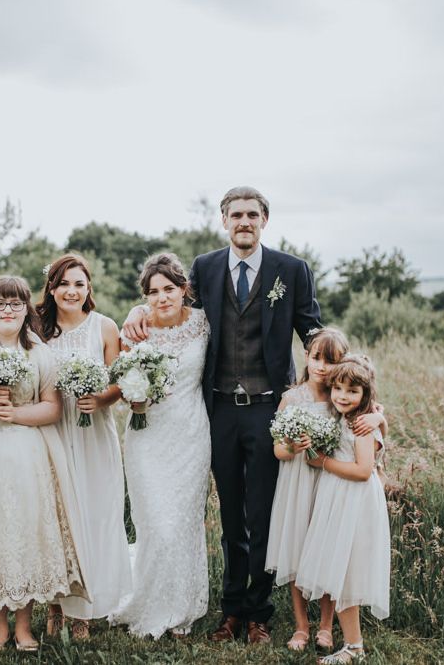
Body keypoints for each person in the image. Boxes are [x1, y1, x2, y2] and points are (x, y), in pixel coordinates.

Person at [123, 186, 321, 643]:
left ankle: (258, 615)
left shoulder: (291, 270)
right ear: (224, 220)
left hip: (269, 407)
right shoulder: (206, 267)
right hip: (217, 412)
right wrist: (139, 307)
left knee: (263, 513)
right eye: (236, 215)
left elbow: (311, 329)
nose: (244, 222)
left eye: (252, 214)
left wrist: (347, 378)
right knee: (231, 513)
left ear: (264, 220)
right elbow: (175, 308)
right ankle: (231, 612)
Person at [0, 275, 88, 653]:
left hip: (26, 454)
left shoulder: (39, 353)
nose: (8, 310)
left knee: (22, 533)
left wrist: (16, 412)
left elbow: (52, 408)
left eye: (16, 304)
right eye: (0, 303)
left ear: (27, 311)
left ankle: (24, 628)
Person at [109, 253, 211, 638]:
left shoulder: (203, 324)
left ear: (184, 290)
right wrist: (134, 397)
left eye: (169, 289)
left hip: (190, 435)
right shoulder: (135, 332)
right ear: (145, 297)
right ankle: (148, 602)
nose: (162, 297)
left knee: (181, 524)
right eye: (152, 292)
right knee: (154, 524)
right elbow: (121, 385)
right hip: (146, 435)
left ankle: (179, 606)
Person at [266, 328, 386, 652]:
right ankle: (301, 625)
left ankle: (326, 625)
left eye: (330, 360)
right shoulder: (292, 398)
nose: (321, 366)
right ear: (306, 357)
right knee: (297, 546)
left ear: (341, 362)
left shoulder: (341, 396)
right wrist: (293, 446)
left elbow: (372, 415)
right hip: (299, 481)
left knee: (330, 550)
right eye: (316, 357)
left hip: (334, 485)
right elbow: (277, 449)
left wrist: (380, 422)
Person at [38, 254, 132, 639]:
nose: (71, 291)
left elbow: (123, 382)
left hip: (93, 434)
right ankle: (55, 605)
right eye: (63, 284)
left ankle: (85, 611)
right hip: (54, 431)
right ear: (52, 288)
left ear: (88, 288)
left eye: (79, 284)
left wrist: (102, 399)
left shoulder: (105, 328)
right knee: (55, 519)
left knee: (94, 515)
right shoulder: (38, 330)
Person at [296, 355, 390, 663]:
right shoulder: (344, 417)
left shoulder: (361, 425)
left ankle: (354, 648)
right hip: (339, 498)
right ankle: (353, 644)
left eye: (352, 391)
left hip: (355, 502)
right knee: (339, 571)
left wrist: (323, 462)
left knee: (347, 573)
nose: (342, 396)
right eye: (337, 389)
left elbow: (364, 470)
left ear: (365, 394)